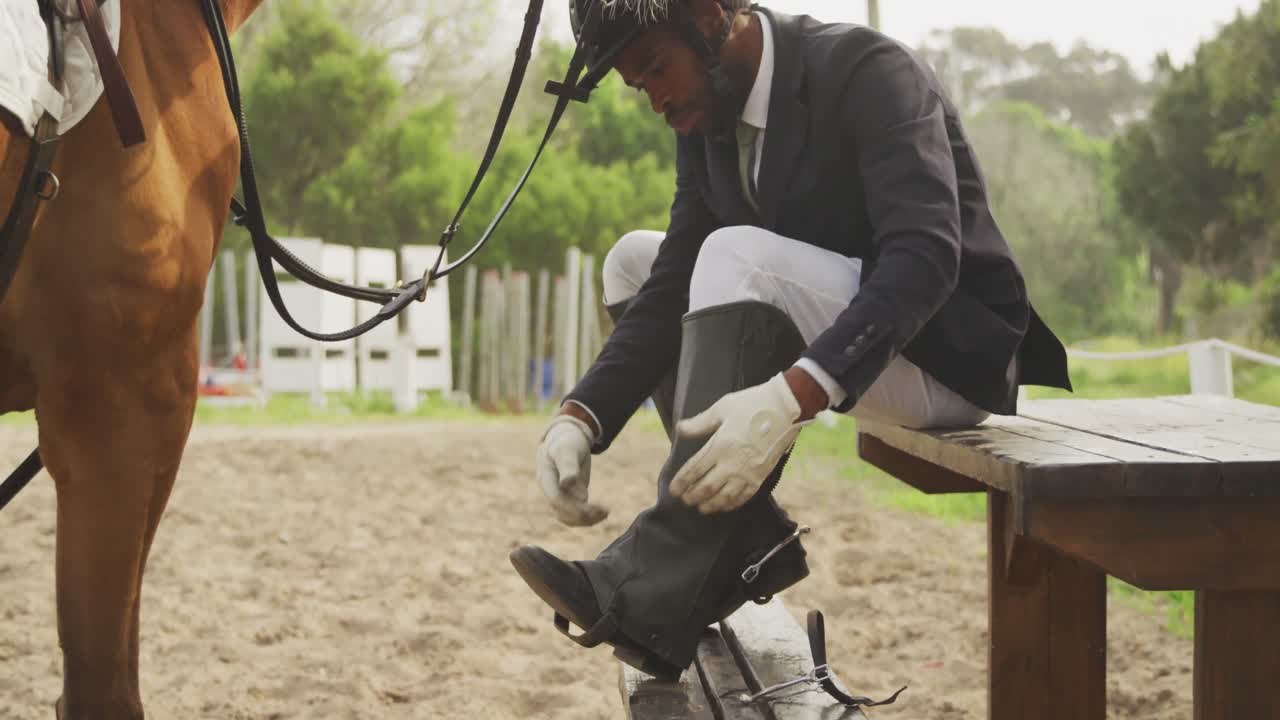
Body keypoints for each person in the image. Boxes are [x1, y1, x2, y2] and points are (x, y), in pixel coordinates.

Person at [510, 0, 1072, 679]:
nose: (656, 99)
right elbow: (668, 281)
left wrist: (790, 396)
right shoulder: (705, 116)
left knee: (734, 254)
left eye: (658, 69)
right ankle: (745, 538)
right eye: (640, 86)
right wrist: (581, 416)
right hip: (844, 340)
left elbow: (925, 257)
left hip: (944, 358)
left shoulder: (869, 70)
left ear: (712, 17)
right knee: (633, 259)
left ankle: (646, 588)